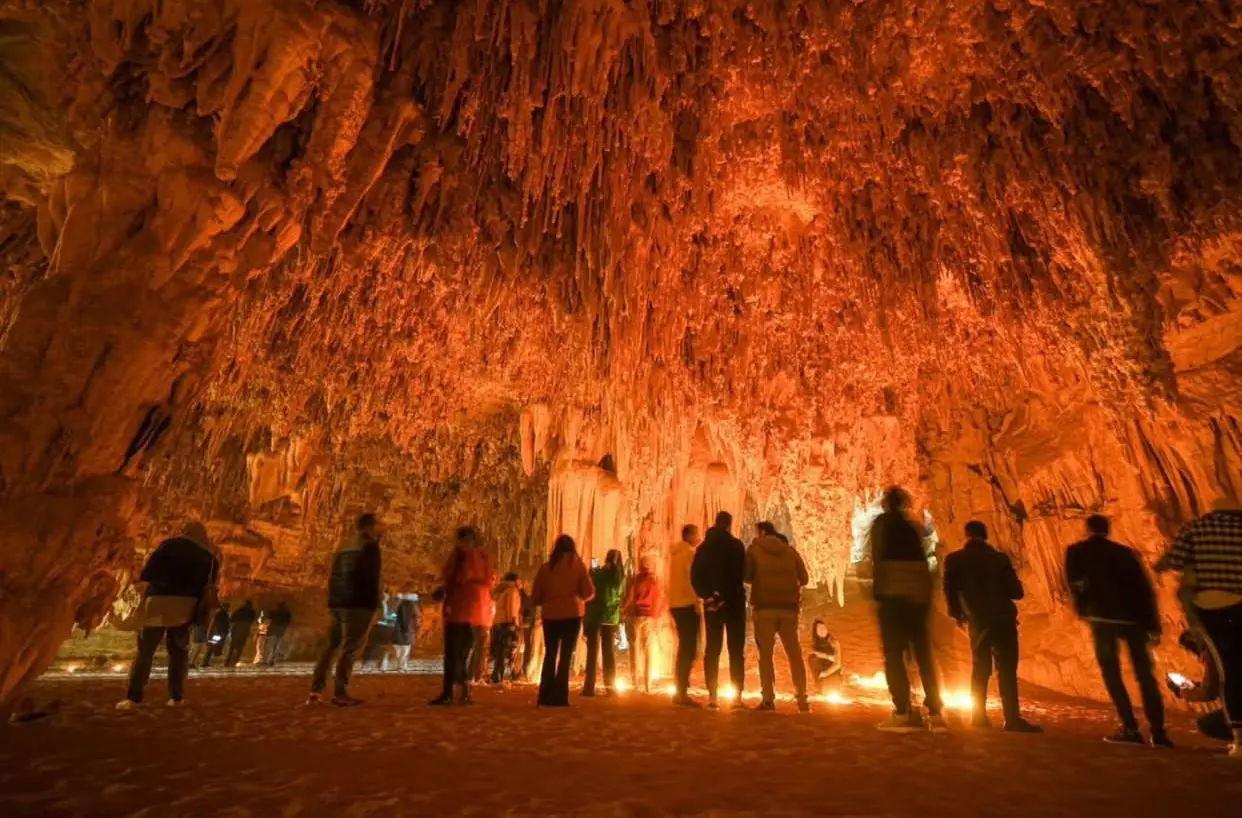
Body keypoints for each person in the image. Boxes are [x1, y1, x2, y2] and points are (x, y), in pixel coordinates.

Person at [1065, 514, 1169, 747]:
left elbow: (1075, 584)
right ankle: (1159, 733)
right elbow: (1144, 588)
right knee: (1145, 676)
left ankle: (1130, 728)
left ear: (1087, 529)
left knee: (1112, 673)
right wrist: (1152, 623)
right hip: (1133, 620)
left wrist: (1083, 608)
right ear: (1107, 529)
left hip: (1101, 618)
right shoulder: (1125, 553)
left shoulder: (1077, 551)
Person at [1156, 499, 1242, 757]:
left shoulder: (1198, 527)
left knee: (1230, 670)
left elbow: (1173, 560)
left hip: (1214, 607)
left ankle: (1240, 741)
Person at [942, 521, 1041, 732]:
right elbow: (1017, 592)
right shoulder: (999, 559)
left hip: (978, 620)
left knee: (980, 668)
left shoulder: (955, 560)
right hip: (1003, 619)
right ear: (985, 536)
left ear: (966, 535)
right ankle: (1012, 718)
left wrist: (958, 614)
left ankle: (978, 716)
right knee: (1006, 669)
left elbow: (950, 592)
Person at [117, 522, 219, 710]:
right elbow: (211, 587)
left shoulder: (167, 546)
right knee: (178, 652)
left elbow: (147, 573)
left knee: (145, 651)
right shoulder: (209, 557)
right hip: (185, 608)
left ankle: (133, 698)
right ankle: (176, 697)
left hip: (158, 602)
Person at [870, 487, 946, 733]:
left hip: (893, 596)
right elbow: (923, 562)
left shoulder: (882, 525)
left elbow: (878, 558)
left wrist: (878, 592)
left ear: (886, 504)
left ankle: (902, 711)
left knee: (894, 656)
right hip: (918, 595)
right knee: (923, 654)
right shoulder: (912, 527)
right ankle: (936, 712)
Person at [308, 513, 383, 706]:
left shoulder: (343, 548)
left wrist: (333, 601)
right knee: (350, 649)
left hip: (338, 603)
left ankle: (316, 689)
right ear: (370, 527)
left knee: (330, 647)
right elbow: (369, 579)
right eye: (377, 526)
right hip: (358, 604)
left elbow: (333, 576)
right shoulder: (370, 547)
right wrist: (374, 604)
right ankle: (340, 692)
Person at [745, 521, 811, 712]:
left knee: (765, 655)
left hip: (764, 608)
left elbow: (747, 576)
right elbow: (804, 578)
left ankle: (768, 699)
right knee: (794, 653)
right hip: (788, 609)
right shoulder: (791, 552)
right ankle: (802, 699)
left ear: (762, 532)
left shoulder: (754, 550)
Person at [431, 526, 494, 705]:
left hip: (459, 609)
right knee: (463, 653)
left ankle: (450, 692)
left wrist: (444, 589)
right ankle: (463, 690)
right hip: (476, 612)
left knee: (453, 653)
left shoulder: (462, 557)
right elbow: (489, 580)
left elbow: (455, 577)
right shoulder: (483, 558)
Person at [692, 511, 747, 709]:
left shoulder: (703, 549)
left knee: (712, 650)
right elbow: (740, 574)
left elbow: (695, 576)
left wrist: (708, 596)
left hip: (712, 606)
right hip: (734, 604)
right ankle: (737, 696)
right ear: (729, 526)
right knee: (735, 651)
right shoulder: (736, 546)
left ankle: (713, 696)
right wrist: (725, 596)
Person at [531, 534, 595, 706]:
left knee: (550, 653)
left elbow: (536, 595)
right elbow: (588, 592)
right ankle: (560, 696)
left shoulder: (546, 568)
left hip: (550, 615)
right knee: (566, 655)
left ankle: (545, 695)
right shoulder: (578, 566)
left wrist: (547, 600)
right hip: (571, 615)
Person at [1170, 629, 1231, 742]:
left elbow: (1209, 693)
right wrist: (1193, 685)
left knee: (1207, 724)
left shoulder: (1211, 655)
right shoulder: (1223, 646)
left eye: (1189, 648)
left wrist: (1181, 692)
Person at [668, 524, 702, 706]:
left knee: (685, 647)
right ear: (689, 535)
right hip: (687, 604)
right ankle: (681, 691)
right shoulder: (689, 553)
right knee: (690, 649)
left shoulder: (675, 554)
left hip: (675, 604)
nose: (698, 538)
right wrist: (697, 601)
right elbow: (692, 579)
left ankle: (679, 688)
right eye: (696, 534)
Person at [583, 549, 624, 697]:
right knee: (607, 653)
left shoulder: (600, 573)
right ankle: (609, 687)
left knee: (594, 653)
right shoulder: (616, 575)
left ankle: (590, 687)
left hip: (596, 616)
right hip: (607, 617)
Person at [624, 554, 663, 694]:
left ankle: (635, 682)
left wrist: (624, 610)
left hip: (636, 616)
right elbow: (659, 598)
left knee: (634, 649)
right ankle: (648, 684)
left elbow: (630, 597)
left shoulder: (636, 579)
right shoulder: (655, 580)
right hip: (649, 617)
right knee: (648, 651)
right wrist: (657, 614)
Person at [491, 573, 523, 684]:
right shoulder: (512, 590)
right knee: (507, 649)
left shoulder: (501, 590)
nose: (521, 583)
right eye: (519, 581)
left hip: (497, 622)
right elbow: (512, 607)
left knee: (500, 651)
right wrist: (513, 622)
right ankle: (500, 675)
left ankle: (497, 674)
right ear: (515, 581)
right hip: (507, 622)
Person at [808, 620, 842, 691]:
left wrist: (825, 673)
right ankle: (818, 684)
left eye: (824, 628)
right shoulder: (815, 643)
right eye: (819, 629)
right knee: (812, 658)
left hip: (833, 671)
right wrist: (828, 657)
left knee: (831, 691)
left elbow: (838, 664)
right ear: (815, 632)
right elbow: (813, 653)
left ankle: (827, 683)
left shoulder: (834, 642)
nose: (822, 630)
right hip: (822, 672)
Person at [391, 594, 419, 670]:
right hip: (408, 630)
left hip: (397, 630)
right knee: (405, 648)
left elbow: (391, 614)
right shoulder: (413, 606)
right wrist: (416, 627)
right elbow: (416, 617)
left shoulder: (397, 605)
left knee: (397, 648)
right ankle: (402, 665)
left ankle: (399, 665)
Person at [226, 600, 257, 667]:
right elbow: (253, 620)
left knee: (232, 646)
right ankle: (235, 661)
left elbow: (232, 619)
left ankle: (228, 661)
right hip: (244, 631)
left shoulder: (240, 610)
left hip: (237, 629)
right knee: (239, 647)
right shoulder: (252, 612)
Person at [201, 603, 231, 668]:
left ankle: (205, 662)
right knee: (211, 647)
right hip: (217, 633)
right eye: (228, 607)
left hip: (217, 633)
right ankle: (204, 662)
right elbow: (220, 624)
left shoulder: (221, 613)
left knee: (212, 647)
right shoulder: (222, 613)